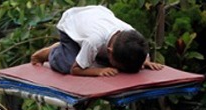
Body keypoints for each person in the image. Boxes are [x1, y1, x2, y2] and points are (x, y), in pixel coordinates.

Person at [30, 5, 164, 76]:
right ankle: (55, 51)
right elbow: (75, 70)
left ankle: (83, 54)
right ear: (110, 51)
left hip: (97, 16)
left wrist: (145, 61)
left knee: (108, 64)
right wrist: (98, 72)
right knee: (68, 64)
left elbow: (139, 50)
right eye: (116, 64)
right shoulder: (94, 41)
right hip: (71, 25)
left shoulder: (131, 35)